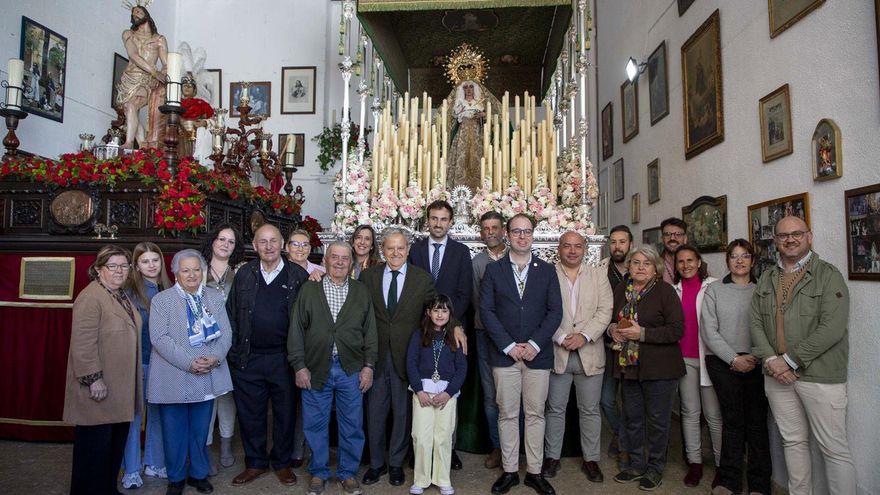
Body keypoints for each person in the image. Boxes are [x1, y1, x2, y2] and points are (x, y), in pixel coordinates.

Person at [750, 216, 856, 495]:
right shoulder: (767, 277)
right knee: (793, 442)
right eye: (784, 235)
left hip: (820, 376)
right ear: (775, 241)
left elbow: (832, 328)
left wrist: (788, 361)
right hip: (776, 375)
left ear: (809, 237)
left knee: (834, 449)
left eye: (797, 233)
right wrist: (771, 361)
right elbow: (755, 322)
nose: (790, 239)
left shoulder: (828, 274)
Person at [360, 228, 464, 487]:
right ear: (382, 250)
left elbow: (437, 310)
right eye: (390, 248)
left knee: (402, 414)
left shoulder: (421, 278)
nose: (395, 253)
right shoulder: (368, 276)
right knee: (375, 412)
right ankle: (376, 463)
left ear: (408, 250)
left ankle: (396, 463)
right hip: (376, 354)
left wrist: (457, 326)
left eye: (400, 248)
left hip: (408, 355)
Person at [480, 213, 562, 495]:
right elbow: (487, 311)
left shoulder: (547, 270)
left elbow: (555, 312)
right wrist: (509, 345)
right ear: (508, 235)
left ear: (533, 235)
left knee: (536, 414)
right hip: (505, 356)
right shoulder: (494, 270)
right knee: (507, 414)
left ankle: (535, 472)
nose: (522, 236)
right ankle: (510, 471)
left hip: (538, 355)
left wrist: (535, 344)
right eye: (516, 231)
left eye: (527, 231)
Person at [288, 241, 377, 495]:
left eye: (344, 258)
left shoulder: (361, 291)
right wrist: (299, 366)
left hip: (351, 369)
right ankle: (318, 472)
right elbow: (296, 329)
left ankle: (347, 473)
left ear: (351, 263)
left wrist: (369, 366)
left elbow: (370, 331)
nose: (339, 262)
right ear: (325, 260)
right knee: (315, 424)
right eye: (334, 257)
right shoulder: (310, 289)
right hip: (315, 367)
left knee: (352, 425)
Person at [225, 223, 308, 487]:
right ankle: (255, 462)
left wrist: (300, 360)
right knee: (251, 414)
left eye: (274, 241)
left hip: (284, 359)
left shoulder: (298, 275)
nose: (269, 246)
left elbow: (307, 320)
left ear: (282, 244)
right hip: (248, 358)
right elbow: (231, 314)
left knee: (285, 413)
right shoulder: (244, 274)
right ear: (255, 245)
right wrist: (234, 354)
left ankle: (282, 463)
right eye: (263, 241)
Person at [148, 249, 233, 495]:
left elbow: (226, 332)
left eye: (196, 269)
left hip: (207, 373)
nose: (192, 275)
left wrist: (215, 358)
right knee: (173, 432)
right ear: (176, 273)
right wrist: (189, 362)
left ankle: (198, 474)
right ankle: (175, 479)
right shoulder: (162, 300)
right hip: (173, 374)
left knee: (200, 430)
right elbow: (159, 338)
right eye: (185, 270)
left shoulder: (214, 297)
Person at [63, 245, 142, 495]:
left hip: (119, 389)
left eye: (124, 266)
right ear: (98, 269)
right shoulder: (91, 297)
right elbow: (83, 343)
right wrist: (93, 379)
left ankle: (108, 490)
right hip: (98, 389)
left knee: (112, 448)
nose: (119, 271)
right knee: (94, 451)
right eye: (113, 266)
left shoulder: (119, 294)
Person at [609, 245, 685, 491]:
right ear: (629, 266)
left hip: (660, 368)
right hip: (629, 366)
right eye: (636, 262)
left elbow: (677, 330)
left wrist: (642, 333)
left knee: (658, 421)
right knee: (632, 418)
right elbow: (611, 319)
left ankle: (655, 468)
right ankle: (636, 464)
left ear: (655, 269)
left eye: (647, 263)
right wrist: (612, 330)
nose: (641, 267)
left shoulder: (665, 292)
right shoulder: (621, 289)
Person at [541, 231, 613, 483]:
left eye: (578, 246)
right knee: (554, 409)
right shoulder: (547, 274)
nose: (572, 251)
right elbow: (542, 310)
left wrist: (584, 335)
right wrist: (560, 336)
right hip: (557, 352)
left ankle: (591, 459)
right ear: (558, 248)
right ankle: (552, 457)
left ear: (585, 249)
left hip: (589, 352)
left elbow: (605, 310)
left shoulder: (598, 275)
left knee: (590, 410)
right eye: (567, 246)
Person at [701, 239, 771, 495]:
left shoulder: (763, 290)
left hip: (757, 361)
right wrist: (733, 358)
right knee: (732, 421)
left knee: (757, 423)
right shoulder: (714, 290)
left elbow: (772, 327)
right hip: (722, 362)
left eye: (745, 256)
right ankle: (729, 480)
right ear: (727, 260)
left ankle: (760, 485)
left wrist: (755, 356)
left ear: (753, 261)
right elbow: (709, 331)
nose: (739, 261)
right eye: (734, 256)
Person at [408, 200, 473, 470]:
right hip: (422, 330)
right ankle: (418, 450)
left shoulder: (461, 251)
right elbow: (411, 289)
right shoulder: (415, 249)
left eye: (443, 219)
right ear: (427, 220)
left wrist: (452, 323)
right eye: (434, 218)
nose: (438, 224)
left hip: (449, 331)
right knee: (421, 391)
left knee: (448, 390)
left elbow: (465, 293)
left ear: (450, 221)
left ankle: (449, 449)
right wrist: (424, 323)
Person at [120, 242, 171, 489]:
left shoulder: (168, 288)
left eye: (155, 260)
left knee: (158, 415)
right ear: (137, 266)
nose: (151, 265)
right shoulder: (129, 292)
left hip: (163, 364)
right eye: (145, 261)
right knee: (134, 417)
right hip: (139, 362)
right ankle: (131, 469)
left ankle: (154, 462)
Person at [671, 244, 722, 487]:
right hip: (684, 359)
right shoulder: (673, 290)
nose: (686, 265)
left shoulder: (714, 286)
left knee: (714, 415)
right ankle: (695, 463)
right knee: (690, 412)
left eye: (690, 260)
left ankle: (722, 465)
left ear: (699, 262)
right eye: (681, 261)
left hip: (710, 358)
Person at [407, 295, 468, 495]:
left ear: (450, 314)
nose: (440, 314)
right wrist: (419, 390)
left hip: (446, 395)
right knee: (421, 437)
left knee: (443, 437)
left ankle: (442, 478)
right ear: (428, 312)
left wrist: (449, 393)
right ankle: (421, 479)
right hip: (423, 393)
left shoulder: (454, 337)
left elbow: (461, 368)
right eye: (436, 310)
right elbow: (411, 363)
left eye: (444, 310)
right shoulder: (418, 335)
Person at [200, 224, 244, 470]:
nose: (225, 244)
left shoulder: (239, 272)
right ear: (212, 241)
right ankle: (205, 447)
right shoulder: (199, 268)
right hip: (202, 342)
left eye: (231, 241)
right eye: (222, 239)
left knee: (227, 397)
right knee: (207, 398)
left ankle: (226, 444)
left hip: (231, 342)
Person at [471, 211, 507, 468]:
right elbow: (476, 300)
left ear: (503, 230)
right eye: (486, 228)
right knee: (490, 394)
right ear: (481, 233)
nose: (491, 232)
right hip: (485, 333)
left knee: (513, 393)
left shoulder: (516, 256)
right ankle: (497, 446)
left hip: (514, 335)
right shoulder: (477, 262)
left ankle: (514, 445)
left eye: (495, 227)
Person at [598, 225, 632, 463]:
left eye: (622, 242)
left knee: (631, 399)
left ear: (630, 244)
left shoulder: (640, 268)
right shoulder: (600, 270)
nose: (617, 246)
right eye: (613, 242)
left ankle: (627, 442)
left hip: (634, 346)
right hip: (608, 344)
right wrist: (609, 329)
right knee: (606, 399)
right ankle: (620, 433)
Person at [116, 5, 168, 149]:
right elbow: (133, 55)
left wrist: (158, 76)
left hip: (146, 80)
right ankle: (143, 144)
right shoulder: (128, 34)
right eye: (133, 13)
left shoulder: (159, 39)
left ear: (147, 14)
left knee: (132, 105)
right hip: (129, 77)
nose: (135, 14)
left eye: (138, 11)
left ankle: (129, 142)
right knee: (129, 110)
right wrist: (154, 72)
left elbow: (166, 64)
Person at [447, 80, 486, 191]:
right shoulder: (459, 103)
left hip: (476, 133)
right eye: (465, 87)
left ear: (474, 89)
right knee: (461, 156)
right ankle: (459, 186)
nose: (468, 90)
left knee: (477, 157)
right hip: (462, 133)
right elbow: (453, 117)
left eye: (471, 87)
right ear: (462, 90)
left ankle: (478, 188)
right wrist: (458, 113)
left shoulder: (479, 103)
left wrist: (483, 115)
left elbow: (487, 119)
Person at [659, 217, 688, 284]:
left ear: (685, 238)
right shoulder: (654, 265)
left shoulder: (697, 265)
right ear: (662, 239)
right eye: (667, 234)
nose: (672, 238)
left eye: (678, 234)